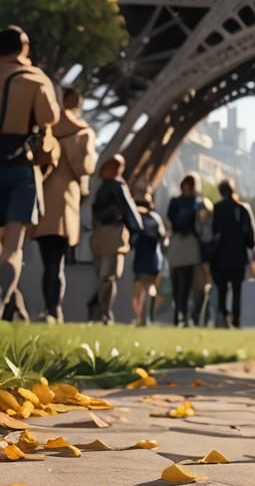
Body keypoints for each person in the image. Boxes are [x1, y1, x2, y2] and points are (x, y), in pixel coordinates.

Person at [0, 25, 60, 321]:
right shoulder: (35, 79)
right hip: (19, 165)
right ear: (23, 48)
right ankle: (2, 303)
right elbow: (50, 117)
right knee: (12, 248)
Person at [31, 87, 96, 323]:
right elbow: (86, 167)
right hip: (66, 201)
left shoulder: (47, 128)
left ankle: (47, 308)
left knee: (47, 260)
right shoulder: (83, 132)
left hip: (42, 199)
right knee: (56, 263)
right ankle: (53, 309)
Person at [88, 155, 143, 324]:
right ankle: (103, 313)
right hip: (112, 235)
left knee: (105, 276)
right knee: (108, 276)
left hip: (105, 235)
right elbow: (130, 213)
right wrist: (135, 232)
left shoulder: (109, 187)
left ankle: (101, 312)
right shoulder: (115, 186)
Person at [211, 179, 255, 328]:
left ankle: (224, 315)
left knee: (222, 289)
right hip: (238, 255)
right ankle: (236, 318)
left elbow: (212, 232)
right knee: (237, 289)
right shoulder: (242, 209)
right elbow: (250, 235)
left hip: (220, 255)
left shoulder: (217, 209)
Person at [166, 175, 210, 327]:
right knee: (185, 283)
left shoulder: (175, 202)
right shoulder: (198, 203)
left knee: (178, 283)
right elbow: (201, 225)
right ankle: (182, 315)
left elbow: (172, 219)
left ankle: (180, 315)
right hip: (190, 244)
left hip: (179, 244)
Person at [131, 192, 167, 326]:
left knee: (139, 289)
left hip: (145, 256)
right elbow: (163, 237)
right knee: (148, 287)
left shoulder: (138, 218)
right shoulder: (155, 218)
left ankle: (142, 317)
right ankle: (146, 316)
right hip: (152, 257)